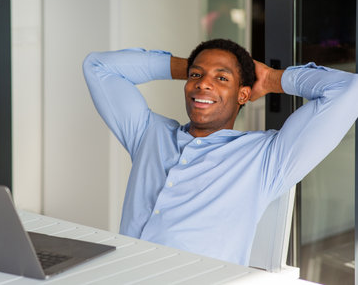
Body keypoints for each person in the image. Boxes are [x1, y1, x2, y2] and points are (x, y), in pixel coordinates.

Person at [82, 39, 358, 266]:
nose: (203, 84)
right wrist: (189, 67)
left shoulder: (267, 158)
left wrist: (273, 79)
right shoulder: (148, 134)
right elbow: (98, 66)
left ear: (242, 95)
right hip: (122, 274)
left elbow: (349, 89)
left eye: (222, 78)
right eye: (196, 76)